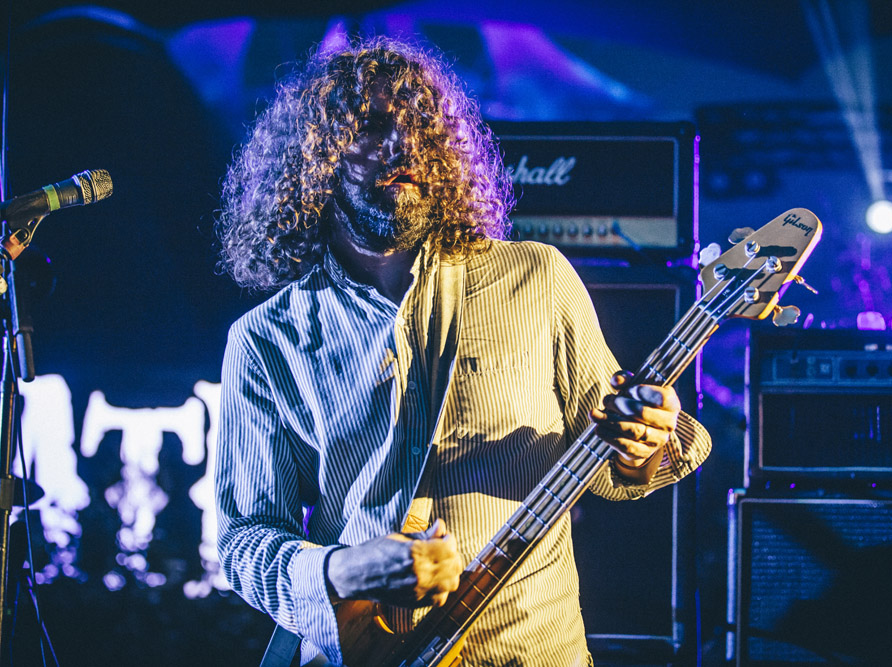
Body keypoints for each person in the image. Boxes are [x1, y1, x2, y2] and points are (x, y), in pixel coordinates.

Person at [214, 36, 711, 666]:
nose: (404, 145)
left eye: (422, 127)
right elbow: (242, 541)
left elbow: (620, 457)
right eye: (371, 126)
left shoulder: (538, 276)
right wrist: (345, 570)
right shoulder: (265, 337)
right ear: (315, 158)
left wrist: (644, 444)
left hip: (530, 650)